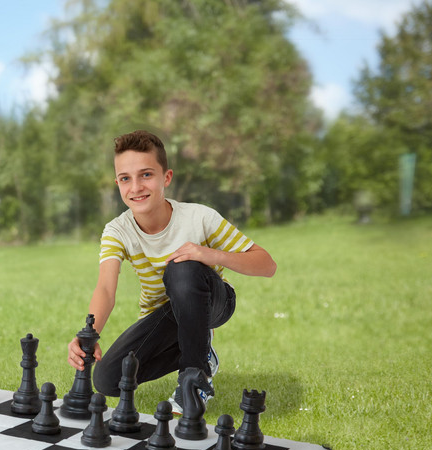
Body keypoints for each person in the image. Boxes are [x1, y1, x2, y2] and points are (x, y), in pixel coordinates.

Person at [66, 129, 277, 411]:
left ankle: (194, 378)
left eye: (146, 175)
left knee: (182, 268)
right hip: (164, 315)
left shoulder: (199, 217)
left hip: (212, 302)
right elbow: (106, 287)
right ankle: (202, 348)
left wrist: (208, 254)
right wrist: (88, 333)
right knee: (108, 379)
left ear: (166, 178)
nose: (136, 187)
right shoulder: (117, 230)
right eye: (125, 179)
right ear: (117, 183)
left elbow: (267, 264)